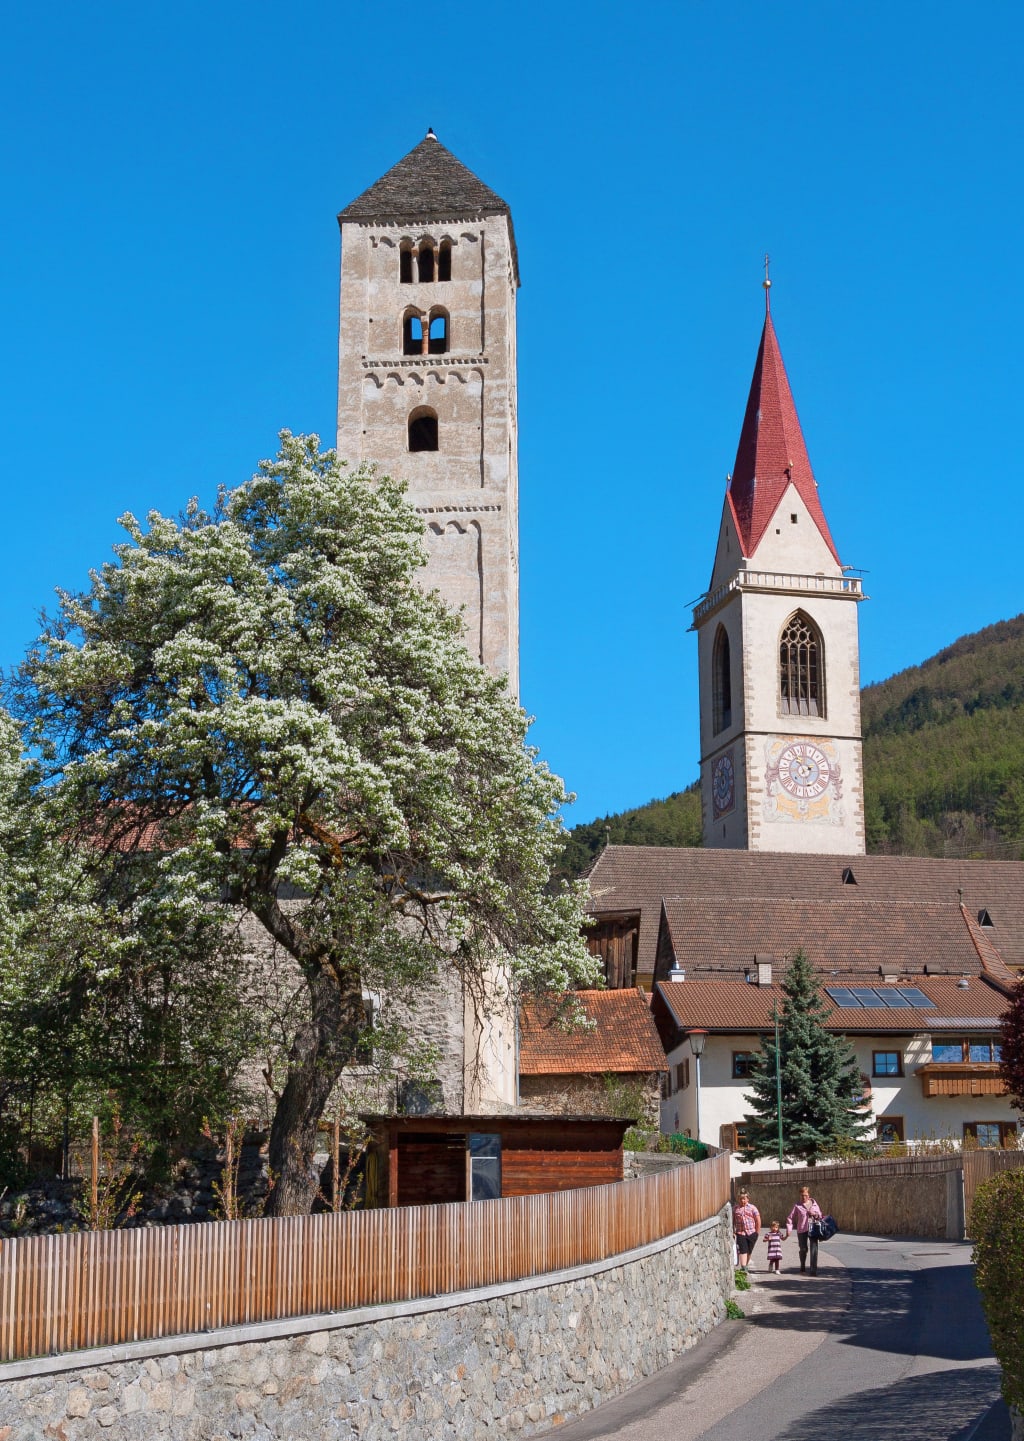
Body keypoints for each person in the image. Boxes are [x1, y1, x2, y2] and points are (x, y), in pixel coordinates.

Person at [786, 1185, 823, 1275]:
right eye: (802, 1195)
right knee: (803, 1249)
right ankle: (802, 1265)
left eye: (805, 1195)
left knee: (814, 1249)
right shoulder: (797, 1206)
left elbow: (820, 1215)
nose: (803, 1197)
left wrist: (814, 1214)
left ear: (808, 1195)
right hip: (802, 1229)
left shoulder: (814, 1204)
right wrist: (789, 1229)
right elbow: (790, 1217)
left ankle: (813, 1270)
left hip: (813, 1229)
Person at [733, 1188, 761, 1270]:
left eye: (744, 1199)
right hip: (740, 1233)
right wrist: (733, 1231)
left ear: (748, 1199)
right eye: (741, 1199)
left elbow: (758, 1220)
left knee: (749, 1251)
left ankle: (745, 1266)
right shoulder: (735, 1209)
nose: (742, 1201)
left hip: (751, 1233)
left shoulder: (753, 1208)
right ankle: (743, 1268)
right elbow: (733, 1221)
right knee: (743, 1250)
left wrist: (757, 1233)